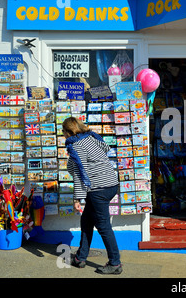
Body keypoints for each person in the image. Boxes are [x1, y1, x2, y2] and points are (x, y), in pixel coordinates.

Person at [63, 117, 122, 274]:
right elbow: (102, 151)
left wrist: (77, 198)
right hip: (110, 184)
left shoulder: (76, 145)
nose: (63, 136)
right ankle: (80, 258)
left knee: (103, 226)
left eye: (63, 132)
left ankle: (115, 263)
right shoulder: (90, 138)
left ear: (68, 132)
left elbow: (79, 173)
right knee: (87, 220)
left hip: (99, 189)